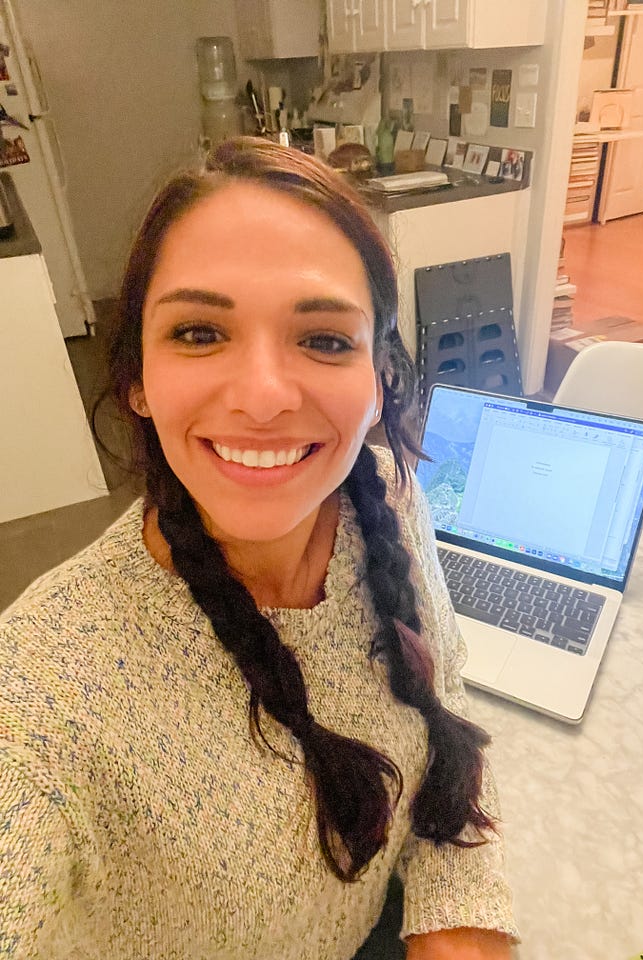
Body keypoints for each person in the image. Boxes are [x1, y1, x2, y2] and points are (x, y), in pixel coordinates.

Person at [0, 137, 517, 959]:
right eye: (201, 332)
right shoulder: (42, 689)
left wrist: (456, 919)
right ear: (137, 376)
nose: (265, 397)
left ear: (378, 375)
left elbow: (445, 712)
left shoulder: (386, 492)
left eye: (324, 339)